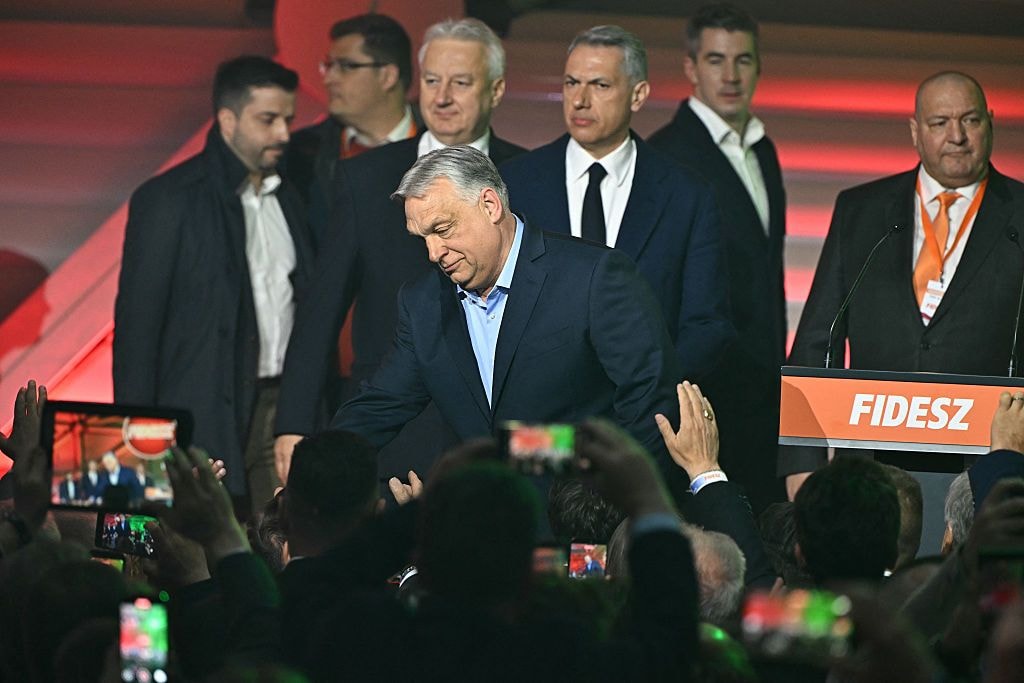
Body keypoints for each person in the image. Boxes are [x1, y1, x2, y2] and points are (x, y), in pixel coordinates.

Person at [328, 146, 683, 489]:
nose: (433, 253)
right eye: (422, 238)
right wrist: (313, 477)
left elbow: (651, 406)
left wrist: (603, 508)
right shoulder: (423, 304)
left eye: (442, 229)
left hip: (584, 525)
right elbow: (379, 406)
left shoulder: (592, 278)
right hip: (486, 531)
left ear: (489, 205)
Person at [274, 18, 526, 483]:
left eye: (461, 82)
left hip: (500, 434)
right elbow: (321, 307)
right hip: (394, 429)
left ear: (495, 90)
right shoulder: (366, 179)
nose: (442, 96)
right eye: (432, 80)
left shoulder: (531, 174)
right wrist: (292, 424)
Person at [780, 71, 1024, 496]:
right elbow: (820, 339)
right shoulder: (863, 210)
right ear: (915, 131)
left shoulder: (1020, 214)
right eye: (940, 123)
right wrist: (803, 461)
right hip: (871, 466)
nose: (957, 136)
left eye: (970, 121)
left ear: (990, 123)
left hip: (988, 469)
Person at [113, 56, 314, 515]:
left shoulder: (293, 192)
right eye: (268, 120)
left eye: (288, 119)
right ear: (227, 119)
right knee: (204, 561)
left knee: (281, 547)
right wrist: (139, 451)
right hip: (201, 414)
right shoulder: (168, 201)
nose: (284, 133)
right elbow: (137, 334)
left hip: (281, 409)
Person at [499, 24, 734, 383]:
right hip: (541, 423)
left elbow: (706, 324)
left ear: (638, 95)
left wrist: (649, 395)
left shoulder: (687, 195)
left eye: (600, 85)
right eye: (571, 83)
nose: (580, 100)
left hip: (643, 419)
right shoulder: (516, 183)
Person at [648, 2, 787, 514]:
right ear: (690, 68)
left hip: (765, 395)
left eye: (743, 60)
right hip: (707, 396)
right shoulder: (664, 157)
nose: (730, 76)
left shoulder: (763, 150)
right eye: (715, 60)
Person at [283, 12, 419, 248]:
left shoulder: (443, 148)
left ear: (388, 76)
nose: (329, 79)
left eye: (346, 66)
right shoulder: (297, 155)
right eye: (329, 66)